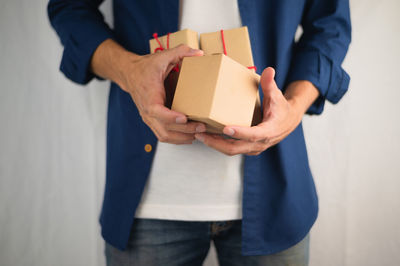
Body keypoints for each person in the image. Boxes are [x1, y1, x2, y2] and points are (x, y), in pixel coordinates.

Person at [47, 0, 351, 265]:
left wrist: (293, 108)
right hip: (147, 198)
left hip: (275, 191)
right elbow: (70, 7)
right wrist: (131, 70)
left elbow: (330, 25)